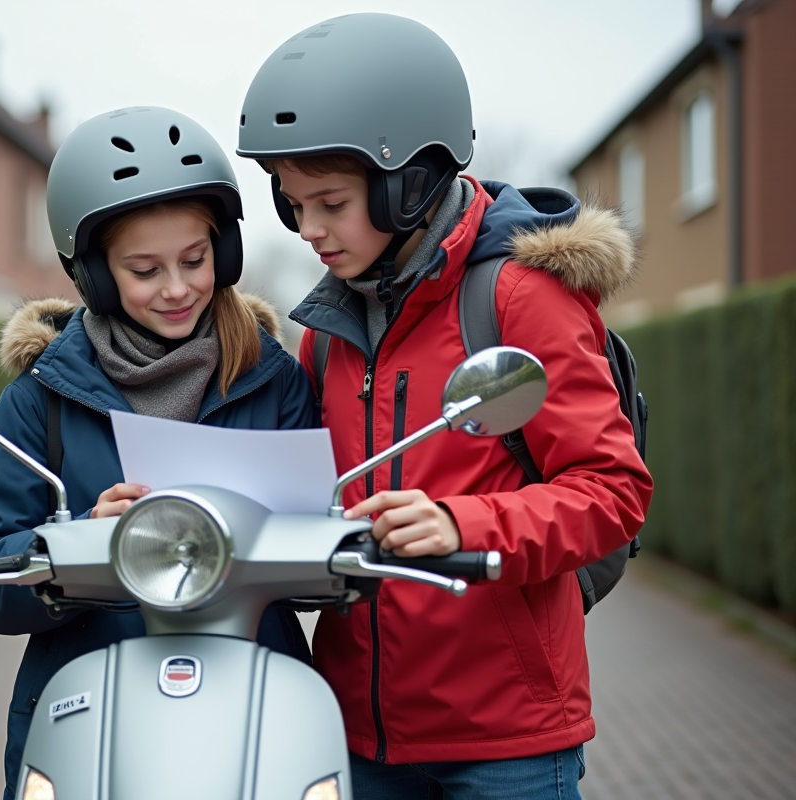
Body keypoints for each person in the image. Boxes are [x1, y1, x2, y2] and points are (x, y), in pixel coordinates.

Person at [237, 13, 653, 799]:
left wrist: (463, 524)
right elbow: (299, 501)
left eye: (329, 202)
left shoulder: (521, 299)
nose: (308, 232)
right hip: (357, 734)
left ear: (411, 181)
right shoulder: (324, 333)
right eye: (292, 205)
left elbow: (613, 491)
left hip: (507, 744)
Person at [0, 107, 316, 800]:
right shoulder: (41, 398)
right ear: (91, 274)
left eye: (196, 259)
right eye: (144, 269)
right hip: (89, 723)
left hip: (255, 718)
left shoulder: (276, 380)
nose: (177, 289)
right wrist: (78, 542)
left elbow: (324, 557)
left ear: (226, 252)